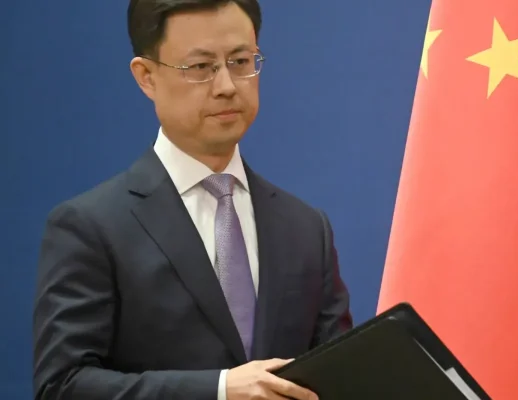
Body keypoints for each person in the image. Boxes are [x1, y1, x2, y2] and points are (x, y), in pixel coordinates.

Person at [32, 1, 353, 399]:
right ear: (146, 77)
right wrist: (219, 390)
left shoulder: (306, 228)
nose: (227, 86)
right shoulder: (91, 228)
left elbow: (339, 375)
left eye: (240, 61)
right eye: (201, 67)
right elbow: (62, 386)